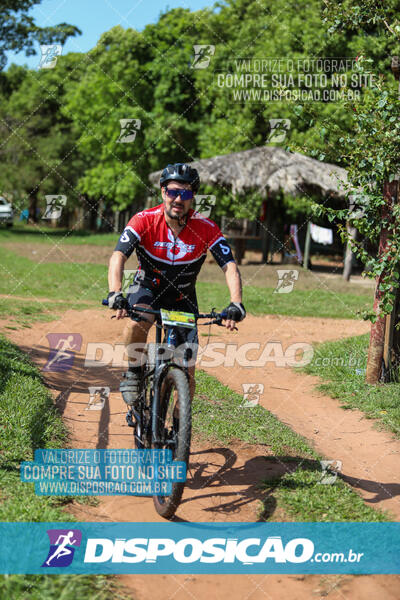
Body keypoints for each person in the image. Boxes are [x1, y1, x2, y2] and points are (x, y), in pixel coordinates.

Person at [107, 162, 246, 405]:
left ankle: (179, 430)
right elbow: (118, 256)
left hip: (182, 297)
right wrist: (115, 293)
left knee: (187, 369)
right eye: (172, 192)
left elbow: (230, 266)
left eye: (186, 193)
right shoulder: (143, 220)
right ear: (163, 192)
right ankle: (135, 372)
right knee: (135, 324)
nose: (178, 199)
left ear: (193, 198)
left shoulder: (206, 227)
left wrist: (236, 303)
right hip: (147, 288)